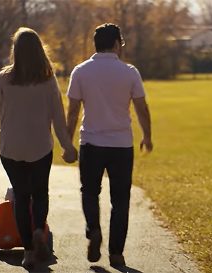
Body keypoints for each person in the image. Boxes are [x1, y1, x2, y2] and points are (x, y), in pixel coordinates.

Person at [66, 23, 153, 267]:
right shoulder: (129, 72)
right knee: (120, 200)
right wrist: (147, 136)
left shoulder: (80, 71)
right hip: (121, 145)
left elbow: (72, 112)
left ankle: (93, 229)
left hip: (91, 142)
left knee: (89, 192)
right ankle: (116, 253)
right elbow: (141, 108)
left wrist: (68, 144)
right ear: (116, 44)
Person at [0, 27, 77, 269]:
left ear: (16, 51)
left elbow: (2, 115)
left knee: (21, 196)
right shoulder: (48, 79)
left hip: (11, 148)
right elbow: (58, 118)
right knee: (40, 193)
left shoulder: (3, 78)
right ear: (40, 50)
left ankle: (28, 251)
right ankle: (39, 229)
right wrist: (68, 147)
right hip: (40, 146)